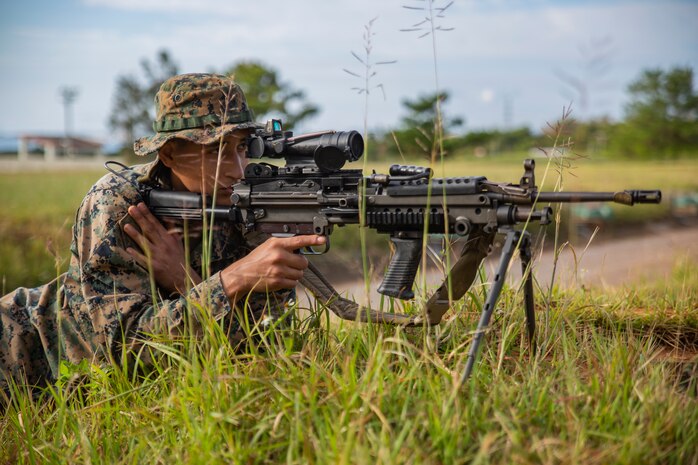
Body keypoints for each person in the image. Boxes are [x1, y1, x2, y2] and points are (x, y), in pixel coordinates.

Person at [0, 73, 325, 396]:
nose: (237, 169)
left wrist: (187, 281)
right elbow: (124, 349)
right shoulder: (121, 203)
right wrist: (232, 281)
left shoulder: (248, 201)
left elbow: (259, 353)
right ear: (168, 154)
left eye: (242, 148)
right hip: (21, 356)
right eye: (215, 151)